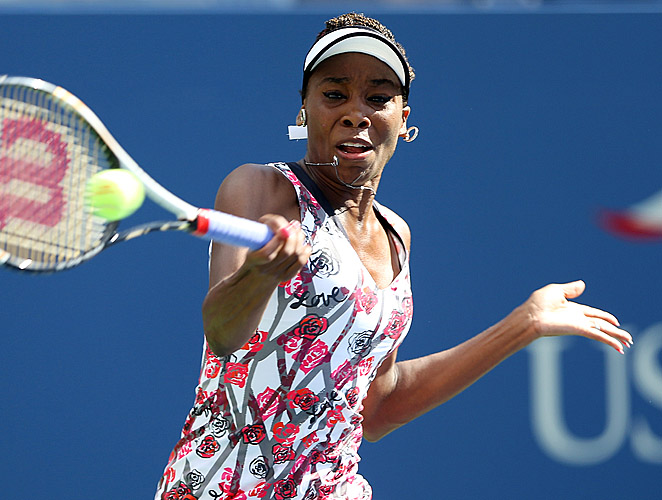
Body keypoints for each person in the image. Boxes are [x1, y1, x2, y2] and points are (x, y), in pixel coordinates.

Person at [156, 12, 632, 500]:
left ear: (403, 121)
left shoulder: (396, 235)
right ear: (304, 110)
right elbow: (223, 333)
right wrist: (260, 274)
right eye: (334, 94)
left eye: (378, 97)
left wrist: (524, 323)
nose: (355, 112)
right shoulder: (260, 188)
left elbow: (378, 409)